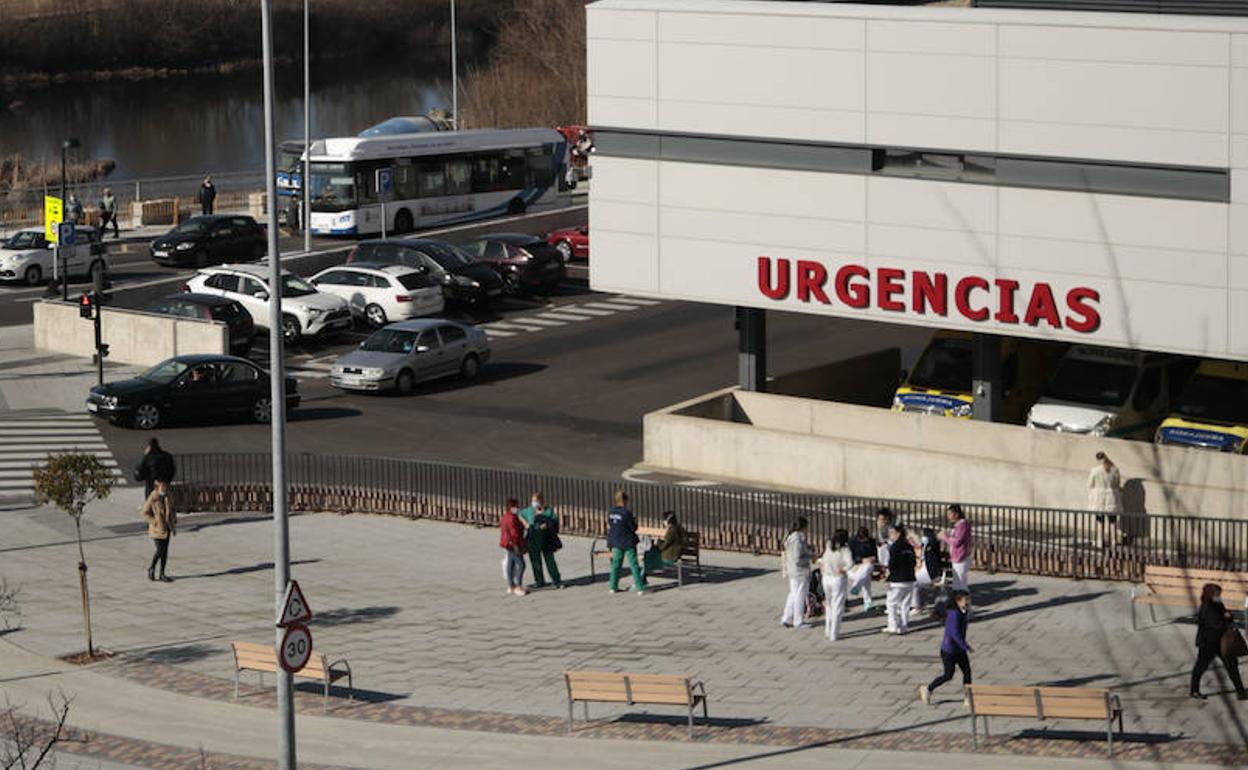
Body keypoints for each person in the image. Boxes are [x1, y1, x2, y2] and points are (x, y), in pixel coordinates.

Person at [1190, 583, 1247, 700]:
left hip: (1222, 642)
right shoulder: (1206, 607)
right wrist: (1225, 619)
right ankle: (1194, 690)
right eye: (1217, 594)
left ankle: (1240, 691)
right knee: (1201, 667)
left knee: (1232, 665)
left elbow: (1227, 616)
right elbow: (1216, 624)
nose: (1219, 596)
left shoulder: (1218, 604)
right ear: (1210, 594)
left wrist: (1228, 616)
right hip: (1208, 643)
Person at [919, 590, 973, 705]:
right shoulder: (953, 614)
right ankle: (928, 689)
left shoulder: (962, 612)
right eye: (966, 600)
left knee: (967, 672)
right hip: (949, 650)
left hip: (959, 650)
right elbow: (954, 634)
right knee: (948, 675)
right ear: (958, 601)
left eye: (968, 599)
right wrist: (966, 646)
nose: (968, 602)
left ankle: (967, 696)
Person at [606, 490, 647, 595]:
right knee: (633, 564)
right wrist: (635, 521)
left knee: (616, 564)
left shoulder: (611, 512)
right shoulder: (626, 513)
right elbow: (633, 527)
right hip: (628, 542)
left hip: (616, 541)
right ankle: (640, 587)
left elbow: (611, 525)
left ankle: (613, 586)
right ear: (624, 500)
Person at [519, 492, 562, 589]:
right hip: (533, 537)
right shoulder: (529, 510)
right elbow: (520, 514)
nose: (534, 503)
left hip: (546, 538)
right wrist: (526, 523)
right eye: (533, 501)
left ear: (541, 501)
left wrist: (547, 525)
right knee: (535, 560)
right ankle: (539, 581)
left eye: (536, 501)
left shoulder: (548, 511)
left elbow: (555, 522)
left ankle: (556, 580)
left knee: (550, 560)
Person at [820, 529, 853, 641]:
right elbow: (850, 563)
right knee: (837, 606)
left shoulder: (829, 545)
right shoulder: (845, 549)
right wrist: (843, 569)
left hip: (826, 577)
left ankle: (828, 629)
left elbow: (823, 559)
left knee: (829, 604)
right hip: (837, 579)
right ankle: (834, 633)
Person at [780, 517, 813, 629]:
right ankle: (798, 621)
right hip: (800, 572)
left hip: (793, 571)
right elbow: (798, 558)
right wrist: (810, 557)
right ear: (803, 527)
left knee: (793, 594)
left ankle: (787, 617)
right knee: (800, 595)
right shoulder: (797, 539)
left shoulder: (790, 537)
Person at [884, 525, 918, 635]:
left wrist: (888, 575)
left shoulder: (895, 547)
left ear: (898, 533)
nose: (890, 535)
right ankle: (904, 626)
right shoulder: (909, 546)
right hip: (910, 578)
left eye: (891, 532)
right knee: (905, 604)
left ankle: (893, 625)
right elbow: (913, 562)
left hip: (897, 580)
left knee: (891, 603)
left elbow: (892, 564)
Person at [143, 479, 177, 582]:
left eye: (165, 487)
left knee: (165, 552)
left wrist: (174, 522)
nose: (164, 489)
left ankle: (162, 573)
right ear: (157, 488)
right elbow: (145, 512)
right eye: (162, 487)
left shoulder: (168, 496)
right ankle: (151, 567)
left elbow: (172, 509)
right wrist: (154, 522)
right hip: (157, 529)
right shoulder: (153, 497)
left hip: (167, 527)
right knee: (160, 550)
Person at [1088, 451, 1123, 546]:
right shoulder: (1114, 469)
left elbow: (1090, 484)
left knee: (1100, 519)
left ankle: (1100, 541)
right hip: (1111, 497)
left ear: (1097, 459)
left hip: (1099, 497)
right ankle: (1114, 541)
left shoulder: (1095, 470)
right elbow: (1117, 484)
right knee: (1113, 520)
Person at [939, 503, 972, 593]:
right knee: (958, 584)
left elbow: (957, 542)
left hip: (961, 557)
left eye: (950, 513)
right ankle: (960, 603)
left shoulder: (962, 525)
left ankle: (965, 604)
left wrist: (945, 537)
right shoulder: (958, 525)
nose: (948, 516)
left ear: (956, 514)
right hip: (957, 557)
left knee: (960, 584)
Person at [499, 498, 527, 596]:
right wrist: (518, 545)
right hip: (513, 544)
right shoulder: (512, 518)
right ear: (511, 507)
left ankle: (511, 586)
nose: (517, 508)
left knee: (510, 564)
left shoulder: (506, 517)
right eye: (516, 506)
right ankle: (518, 586)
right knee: (521, 564)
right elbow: (514, 533)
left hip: (507, 544)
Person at [645, 511, 687, 576]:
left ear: (668, 521)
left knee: (649, 553)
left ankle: (644, 574)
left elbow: (665, 544)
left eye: (664, 520)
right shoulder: (679, 527)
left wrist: (658, 543)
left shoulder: (671, 530)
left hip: (671, 555)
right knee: (651, 551)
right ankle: (646, 572)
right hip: (677, 552)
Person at [847, 526, 877, 613]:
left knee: (867, 568)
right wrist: (861, 560)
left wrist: (871, 560)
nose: (864, 541)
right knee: (866, 579)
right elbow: (850, 558)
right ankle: (868, 603)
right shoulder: (852, 542)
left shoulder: (871, 541)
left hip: (866, 566)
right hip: (855, 567)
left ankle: (857, 586)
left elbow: (875, 555)